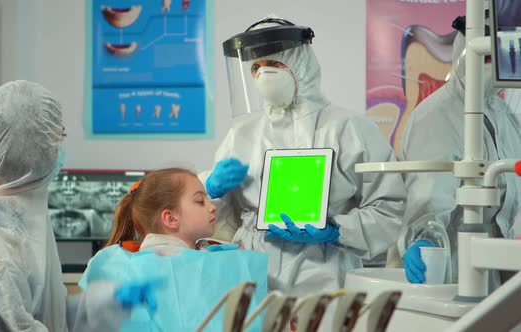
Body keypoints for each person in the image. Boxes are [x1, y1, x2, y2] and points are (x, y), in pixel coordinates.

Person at [201, 17, 407, 296]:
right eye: (256, 67)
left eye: (274, 65)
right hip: (253, 269)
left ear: (299, 64)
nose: (263, 75)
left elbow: (391, 206)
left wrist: (336, 229)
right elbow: (206, 213)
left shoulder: (349, 129)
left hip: (325, 274)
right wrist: (210, 189)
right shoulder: (243, 134)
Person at [0, 81, 157, 331]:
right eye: (59, 135)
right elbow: (10, 326)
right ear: (32, 146)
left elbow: (50, 317)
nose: (62, 145)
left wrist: (107, 303)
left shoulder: (21, 212)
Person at [396, 17, 521, 288]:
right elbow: (429, 199)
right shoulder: (435, 117)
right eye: (487, 61)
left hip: (498, 272)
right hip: (452, 272)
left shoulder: (503, 115)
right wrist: (426, 238)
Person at [79, 168, 268, 331]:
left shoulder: (217, 256)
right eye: (200, 201)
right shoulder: (125, 267)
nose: (212, 207)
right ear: (171, 219)